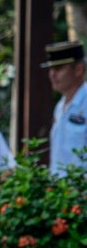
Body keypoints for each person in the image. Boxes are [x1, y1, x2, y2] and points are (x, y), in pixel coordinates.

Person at [44, 40, 87, 175]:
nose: (52, 74)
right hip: (60, 192)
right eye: (50, 69)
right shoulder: (60, 106)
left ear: (78, 69)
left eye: (58, 68)